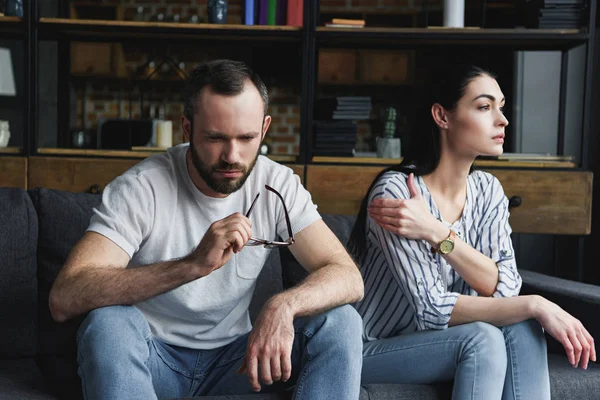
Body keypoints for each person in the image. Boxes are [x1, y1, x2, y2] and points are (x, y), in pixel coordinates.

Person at [49, 59, 364, 400]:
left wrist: (283, 306)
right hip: (152, 358)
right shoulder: (142, 187)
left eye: (247, 138)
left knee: (342, 321)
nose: (232, 156)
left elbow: (347, 276)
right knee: (107, 325)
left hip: (239, 363)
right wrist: (192, 265)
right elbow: (64, 297)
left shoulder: (277, 184)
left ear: (265, 127)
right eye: (215, 138)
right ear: (187, 128)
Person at [348, 64, 596, 400]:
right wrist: (535, 303)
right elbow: (431, 308)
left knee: (521, 324)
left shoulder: (488, 190)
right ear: (442, 116)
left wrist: (438, 233)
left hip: (448, 340)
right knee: (486, 337)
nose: (502, 120)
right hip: (374, 349)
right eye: (484, 107)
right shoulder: (397, 193)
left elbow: (506, 287)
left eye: (501, 107)